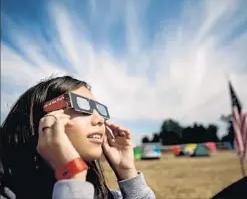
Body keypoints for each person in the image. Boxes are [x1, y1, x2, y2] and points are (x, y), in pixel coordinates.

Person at [0, 75, 156, 199]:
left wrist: (126, 171)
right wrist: (72, 177)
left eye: (99, 110)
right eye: (83, 107)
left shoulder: (102, 194)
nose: (99, 119)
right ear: (46, 118)